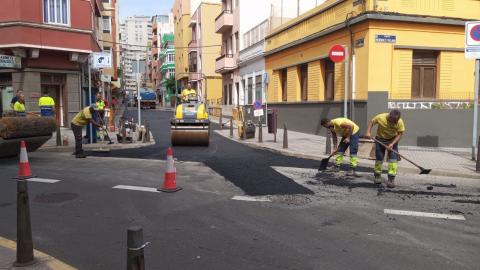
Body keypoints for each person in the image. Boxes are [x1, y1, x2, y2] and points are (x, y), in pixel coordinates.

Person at [365, 109, 405, 188]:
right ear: (389, 117)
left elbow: (400, 134)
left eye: (396, 121)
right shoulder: (380, 117)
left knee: (393, 160)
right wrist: (368, 132)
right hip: (380, 139)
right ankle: (377, 176)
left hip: (392, 139)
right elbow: (371, 122)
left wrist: (392, 144)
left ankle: (391, 179)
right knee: (379, 158)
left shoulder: (399, 122)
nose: (395, 123)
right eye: (394, 121)